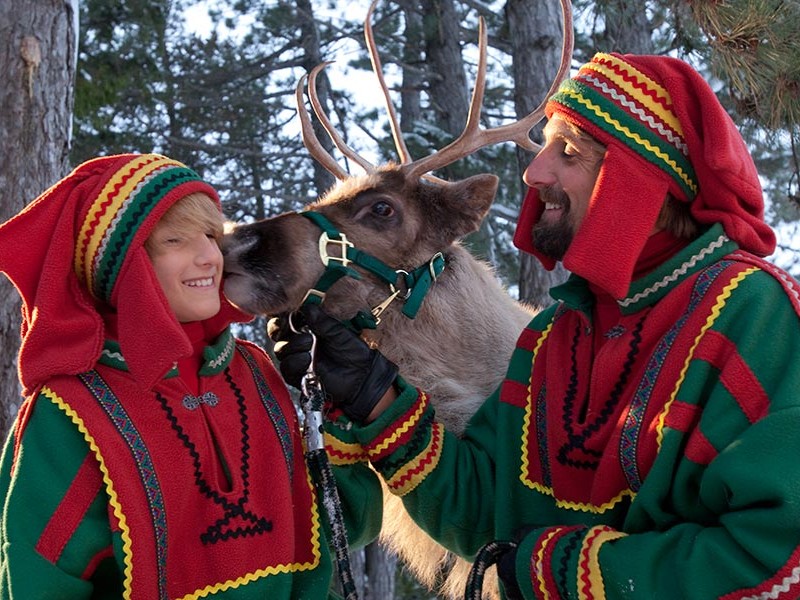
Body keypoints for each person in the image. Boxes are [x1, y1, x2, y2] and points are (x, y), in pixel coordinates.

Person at [271, 53, 800, 599]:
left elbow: (777, 559)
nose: (534, 172)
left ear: (642, 179)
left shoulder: (753, 316)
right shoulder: (555, 336)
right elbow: (483, 514)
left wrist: (561, 569)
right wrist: (375, 396)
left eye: (567, 152)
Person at [0, 153, 381, 599]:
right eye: (176, 241)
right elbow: (38, 580)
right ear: (125, 267)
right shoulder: (70, 410)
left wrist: (339, 411)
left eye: (210, 234)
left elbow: (349, 523)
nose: (209, 256)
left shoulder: (252, 371)